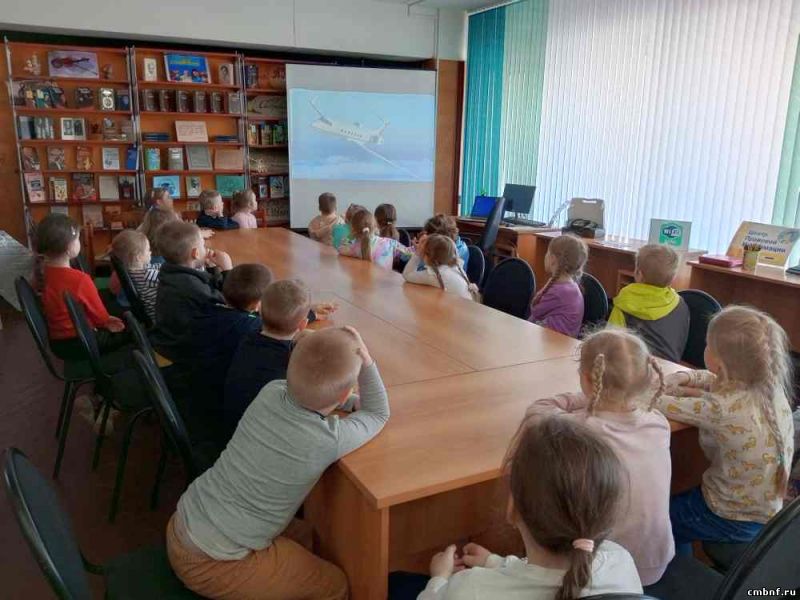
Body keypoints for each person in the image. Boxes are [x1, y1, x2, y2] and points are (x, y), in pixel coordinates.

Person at [166, 327, 390, 600]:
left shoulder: (271, 391)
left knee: (310, 536)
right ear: (343, 395)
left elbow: (307, 390)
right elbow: (378, 413)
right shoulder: (325, 440)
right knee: (336, 585)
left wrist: (346, 399)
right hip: (213, 564)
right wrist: (365, 361)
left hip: (187, 519)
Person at [414, 417, 641, 599]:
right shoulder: (620, 562)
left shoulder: (469, 590)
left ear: (512, 508)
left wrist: (439, 578)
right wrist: (497, 563)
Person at [526, 329, 673, 585]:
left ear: (587, 378)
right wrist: (599, 394)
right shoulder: (658, 422)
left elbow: (537, 412)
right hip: (655, 563)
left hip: (603, 575)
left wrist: (585, 398)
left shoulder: (579, 430)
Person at [656, 306, 794, 555]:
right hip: (765, 510)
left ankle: (675, 565)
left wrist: (659, 386)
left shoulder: (720, 408)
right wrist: (686, 378)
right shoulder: (770, 386)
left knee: (661, 520)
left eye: (708, 344)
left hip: (727, 515)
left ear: (719, 362)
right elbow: (716, 380)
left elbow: (656, 402)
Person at [223, 279, 312, 440]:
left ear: (259, 311)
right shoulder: (292, 365)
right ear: (303, 324)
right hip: (258, 438)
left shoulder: (248, 337)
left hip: (230, 426)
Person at [37, 213, 127, 360]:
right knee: (134, 331)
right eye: (77, 239)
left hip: (58, 343)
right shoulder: (80, 279)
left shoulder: (43, 272)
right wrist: (108, 321)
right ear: (69, 247)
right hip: (83, 341)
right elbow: (100, 317)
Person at [150, 221, 233, 361]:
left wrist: (212, 269)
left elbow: (211, 289)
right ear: (195, 253)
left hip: (171, 339)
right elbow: (230, 302)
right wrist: (227, 270)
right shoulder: (190, 285)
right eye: (203, 245)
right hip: (186, 350)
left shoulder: (172, 272)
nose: (206, 249)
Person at [607, 244, 689, 362]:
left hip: (632, 368)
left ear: (639, 274)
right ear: (673, 278)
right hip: (670, 368)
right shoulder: (680, 303)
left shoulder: (626, 301)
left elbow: (610, 340)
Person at [528, 234, 588, 337]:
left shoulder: (558, 291)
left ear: (552, 259)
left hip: (554, 342)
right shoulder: (571, 286)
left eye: (547, 252)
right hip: (560, 340)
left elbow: (535, 310)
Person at [402, 234, 476, 301]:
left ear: (428, 256)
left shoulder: (434, 275)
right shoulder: (455, 267)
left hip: (459, 308)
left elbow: (407, 274)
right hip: (468, 306)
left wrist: (418, 252)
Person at [110, 230, 161, 323]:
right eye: (148, 250)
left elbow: (154, 267)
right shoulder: (146, 276)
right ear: (138, 257)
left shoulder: (134, 271)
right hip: (157, 317)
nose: (150, 252)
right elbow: (169, 277)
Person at [337, 209, 411, 270]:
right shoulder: (390, 243)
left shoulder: (353, 248)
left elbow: (340, 249)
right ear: (375, 226)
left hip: (362, 282)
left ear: (353, 230)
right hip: (385, 283)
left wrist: (349, 237)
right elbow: (408, 254)